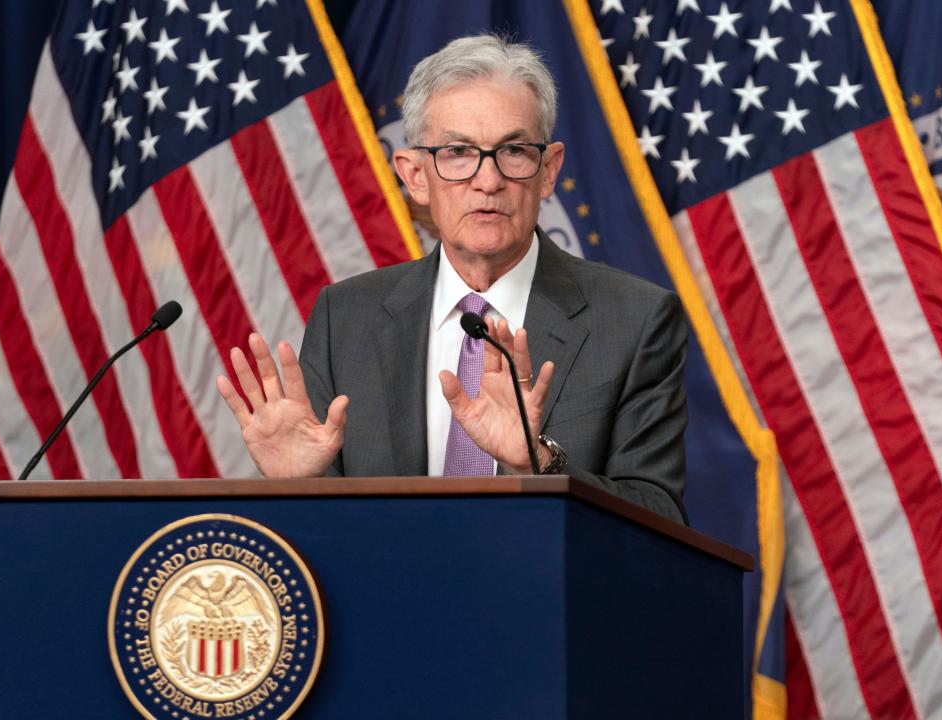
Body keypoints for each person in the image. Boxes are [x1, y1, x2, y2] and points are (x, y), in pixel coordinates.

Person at [217, 35, 688, 523]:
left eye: (515, 151)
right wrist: (302, 486)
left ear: (548, 171)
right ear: (415, 175)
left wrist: (539, 464)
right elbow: (327, 534)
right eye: (459, 152)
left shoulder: (635, 319)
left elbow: (659, 517)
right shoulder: (346, 317)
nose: (488, 180)